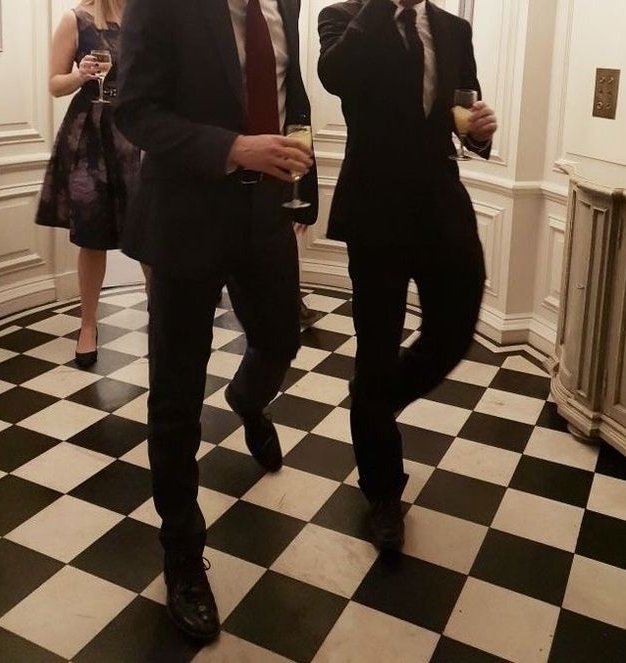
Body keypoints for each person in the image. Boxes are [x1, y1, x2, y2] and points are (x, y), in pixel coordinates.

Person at [115, 0, 318, 642]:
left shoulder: (282, 4)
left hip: (266, 219)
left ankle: (247, 398)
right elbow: (135, 110)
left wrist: (300, 176)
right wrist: (231, 147)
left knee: (281, 339)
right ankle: (182, 555)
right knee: (176, 396)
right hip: (186, 219)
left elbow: (292, 96)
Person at [318, 0, 497, 551]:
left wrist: (480, 132)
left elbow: (462, 112)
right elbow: (335, 76)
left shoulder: (452, 28)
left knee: (454, 328)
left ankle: (373, 403)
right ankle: (383, 495)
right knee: (376, 344)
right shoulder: (343, 17)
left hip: (441, 200)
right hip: (375, 204)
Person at [36, 0, 149, 368]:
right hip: (91, 134)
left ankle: (161, 318)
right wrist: (80, 76)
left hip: (136, 132)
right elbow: (54, 84)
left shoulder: (143, 15)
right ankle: (87, 326)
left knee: (147, 232)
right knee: (92, 234)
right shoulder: (77, 19)